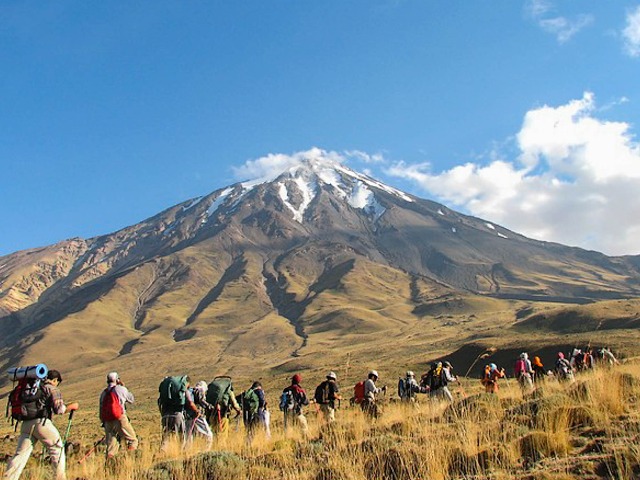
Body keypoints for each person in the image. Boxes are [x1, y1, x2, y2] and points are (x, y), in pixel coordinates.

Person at [3, 369, 79, 480]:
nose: (57, 384)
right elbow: (59, 410)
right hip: (42, 423)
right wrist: (72, 407)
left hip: (26, 424)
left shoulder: (34, 387)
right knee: (57, 449)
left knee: (20, 455)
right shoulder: (52, 388)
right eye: (57, 382)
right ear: (54, 380)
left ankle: (8, 478)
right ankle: (60, 478)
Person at [98, 372, 138, 459]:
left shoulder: (103, 393)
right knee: (133, 440)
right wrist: (123, 386)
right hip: (120, 418)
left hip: (108, 422)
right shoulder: (120, 389)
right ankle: (130, 460)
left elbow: (101, 409)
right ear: (117, 380)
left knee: (111, 448)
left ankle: (109, 465)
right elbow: (131, 399)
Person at [158, 375, 198, 449]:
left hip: (165, 416)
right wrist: (197, 411)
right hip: (177, 415)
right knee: (181, 439)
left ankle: (161, 453)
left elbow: (159, 403)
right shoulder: (182, 389)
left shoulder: (165, 392)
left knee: (166, 439)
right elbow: (190, 402)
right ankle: (181, 455)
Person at [185, 381, 213, 448]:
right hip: (198, 416)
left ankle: (187, 453)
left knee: (189, 436)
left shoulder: (190, 391)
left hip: (188, 416)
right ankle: (206, 451)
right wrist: (209, 406)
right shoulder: (201, 390)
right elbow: (202, 401)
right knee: (209, 435)